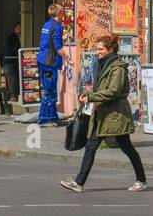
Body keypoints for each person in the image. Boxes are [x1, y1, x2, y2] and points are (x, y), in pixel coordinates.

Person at [59, 35, 146, 193]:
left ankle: (141, 180)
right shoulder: (102, 65)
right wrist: (88, 93)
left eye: (100, 49)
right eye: (97, 48)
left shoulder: (118, 68)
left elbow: (113, 91)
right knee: (91, 147)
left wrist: (91, 97)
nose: (97, 52)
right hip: (102, 113)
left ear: (110, 50)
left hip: (115, 115)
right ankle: (79, 182)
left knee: (127, 147)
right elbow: (101, 88)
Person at [37, 3, 64, 126]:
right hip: (49, 63)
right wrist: (67, 58)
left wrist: (63, 35)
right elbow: (58, 47)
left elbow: (50, 40)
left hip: (43, 61)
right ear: (58, 13)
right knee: (49, 91)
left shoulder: (47, 24)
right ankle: (43, 118)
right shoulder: (56, 27)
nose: (64, 14)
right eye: (62, 12)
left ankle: (53, 117)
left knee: (50, 90)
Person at [1, 23, 21, 102]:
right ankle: (13, 95)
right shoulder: (9, 38)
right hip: (8, 61)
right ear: (15, 29)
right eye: (18, 29)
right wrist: (19, 42)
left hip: (18, 61)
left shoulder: (23, 37)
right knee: (11, 73)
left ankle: (21, 93)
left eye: (21, 29)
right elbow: (9, 51)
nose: (20, 31)